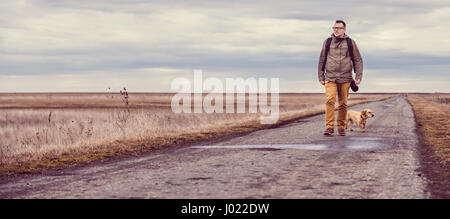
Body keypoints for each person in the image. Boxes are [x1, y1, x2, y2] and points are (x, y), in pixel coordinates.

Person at [318, 20, 363, 136]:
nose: (336, 30)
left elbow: (357, 59)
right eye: (334, 28)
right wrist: (320, 76)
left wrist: (358, 76)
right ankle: (329, 127)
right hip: (330, 77)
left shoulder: (350, 42)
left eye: (339, 28)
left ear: (344, 30)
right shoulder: (327, 42)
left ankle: (341, 127)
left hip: (345, 78)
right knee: (330, 100)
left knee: (343, 104)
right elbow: (322, 59)